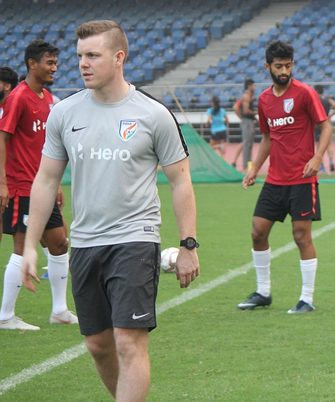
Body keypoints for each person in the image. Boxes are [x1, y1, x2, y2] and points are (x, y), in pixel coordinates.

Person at [20, 20, 200, 401]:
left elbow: (181, 180)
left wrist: (188, 244)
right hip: (85, 244)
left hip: (136, 239)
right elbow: (46, 180)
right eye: (80, 56)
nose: (83, 64)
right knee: (99, 345)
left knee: (128, 342)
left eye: (93, 56)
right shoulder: (64, 113)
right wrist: (31, 245)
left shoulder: (153, 114)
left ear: (119, 58)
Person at [238, 41, 331, 314]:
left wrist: (317, 157)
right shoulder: (264, 100)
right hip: (275, 180)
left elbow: (326, 126)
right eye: (278, 66)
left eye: (288, 66)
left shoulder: (305, 93)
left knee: (301, 236)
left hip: (302, 179)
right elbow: (268, 137)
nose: (284, 71)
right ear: (267, 66)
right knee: (258, 232)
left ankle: (307, 299)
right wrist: (254, 168)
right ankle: (263, 292)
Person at [0, 41, 76, 331]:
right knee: (22, 248)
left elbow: (47, 147)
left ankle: (59, 310)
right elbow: (2, 139)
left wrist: (54, 183)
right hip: (22, 187)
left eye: (55, 62)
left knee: (59, 243)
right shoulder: (18, 97)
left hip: (42, 186)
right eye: (49, 62)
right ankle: (5, 316)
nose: (54, 68)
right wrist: (3, 183)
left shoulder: (47, 98)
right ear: (32, 64)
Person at [313, 85, 335, 172]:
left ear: (316, 91)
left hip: (318, 124)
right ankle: (331, 162)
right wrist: (329, 116)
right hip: (326, 123)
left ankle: (322, 167)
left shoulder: (315, 100)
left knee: (319, 146)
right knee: (328, 145)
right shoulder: (328, 99)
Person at [238, 78, 257, 169]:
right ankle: (246, 166)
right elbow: (245, 111)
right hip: (247, 122)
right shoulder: (246, 96)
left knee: (249, 144)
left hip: (249, 122)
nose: (255, 87)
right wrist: (256, 113)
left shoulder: (249, 96)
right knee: (247, 144)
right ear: (249, 86)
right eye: (254, 85)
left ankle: (249, 165)